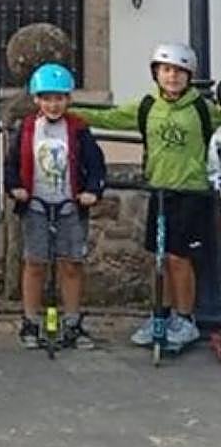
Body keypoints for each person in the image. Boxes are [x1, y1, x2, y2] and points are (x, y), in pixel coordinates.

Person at [71, 43, 221, 349]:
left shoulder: (201, 109)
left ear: (189, 76)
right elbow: (111, 118)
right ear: (157, 73)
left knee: (181, 259)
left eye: (179, 72)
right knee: (161, 257)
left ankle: (185, 319)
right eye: (166, 71)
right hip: (160, 190)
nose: (172, 77)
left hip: (191, 193)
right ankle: (161, 315)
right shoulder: (148, 106)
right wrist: (67, 110)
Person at [6, 64, 105, 349]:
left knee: (71, 264)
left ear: (68, 100)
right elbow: (11, 164)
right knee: (35, 263)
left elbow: (96, 166)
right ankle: (30, 321)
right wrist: (15, 188)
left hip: (69, 205)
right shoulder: (26, 128)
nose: (53, 104)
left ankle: (72, 320)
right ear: (36, 99)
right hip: (36, 204)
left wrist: (91, 191)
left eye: (59, 98)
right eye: (47, 98)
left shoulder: (78, 129)